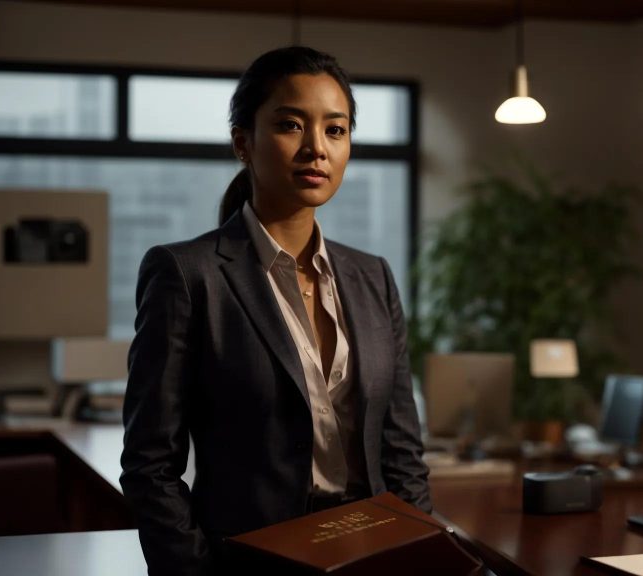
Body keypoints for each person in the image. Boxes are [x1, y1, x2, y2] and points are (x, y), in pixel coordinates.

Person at [120, 46, 430, 576]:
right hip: (250, 560)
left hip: (373, 554)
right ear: (244, 142)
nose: (317, 149)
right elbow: (150, 464)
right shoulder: (188, 274)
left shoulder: (372, 276)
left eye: (336, 130)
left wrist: (419, 557)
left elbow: (401, 452)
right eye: (291, 125)